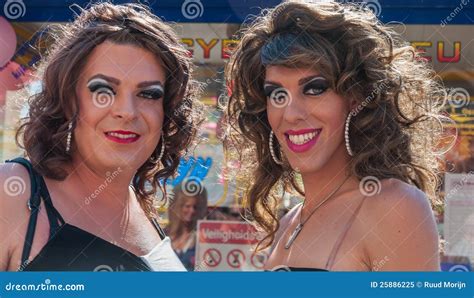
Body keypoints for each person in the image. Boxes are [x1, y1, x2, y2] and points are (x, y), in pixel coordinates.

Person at [225, 1, 445, 271]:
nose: (291, 114)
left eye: (314, 89)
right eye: (276, 93)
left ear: (354, 98)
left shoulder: (394, 207)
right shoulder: (288, 223)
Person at [0, 2, 204, 271]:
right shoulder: (13, 192)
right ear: (70, 100)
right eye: (103, 89)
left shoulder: (144, 209)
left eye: (149, 94)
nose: (127, 112)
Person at [167, 183, 208, 271]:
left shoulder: (201, 236)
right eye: (187, 206)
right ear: (178, 206)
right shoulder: (163, 235)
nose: (192, 211)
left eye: (195, 207)